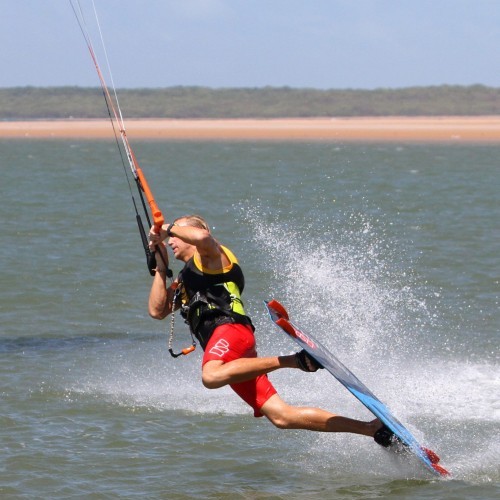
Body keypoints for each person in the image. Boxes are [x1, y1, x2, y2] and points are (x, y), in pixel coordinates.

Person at [148, 214, 393, 444]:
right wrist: (160, 268)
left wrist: (165, 226)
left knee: (211, 376)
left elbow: (202, 239)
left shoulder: (212, 258)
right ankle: (372, 429)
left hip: (230, 331)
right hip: (229, 352)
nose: (170, 241)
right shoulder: (185, 278)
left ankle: (294, 361)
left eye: (177, 234)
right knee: (281, 417)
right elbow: (158, 311)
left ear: (196, 230)